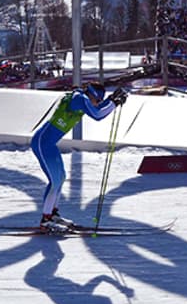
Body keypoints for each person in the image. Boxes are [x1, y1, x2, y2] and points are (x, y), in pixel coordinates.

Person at [30, 82, 126, 230]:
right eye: (99, 99)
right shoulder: (79, 99)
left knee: (60, 178)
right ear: (92, 94)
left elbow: (96, 108)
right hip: (42, 142)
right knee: (55, 181)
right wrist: (113, 103)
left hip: (49, 144)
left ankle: (53, 214)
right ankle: (45, 220)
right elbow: (97, 115)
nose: (99, 102)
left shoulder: (83, 98)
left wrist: (111, 100)